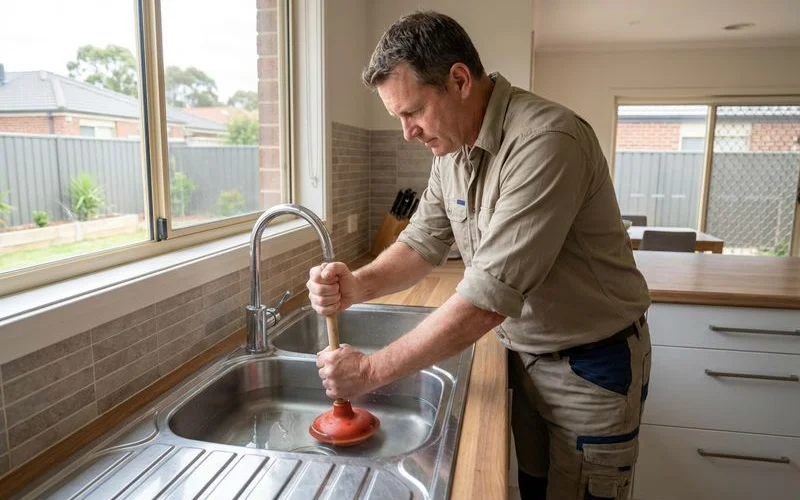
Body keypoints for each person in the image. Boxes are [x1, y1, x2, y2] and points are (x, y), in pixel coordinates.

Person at [306, 11, 651, 500]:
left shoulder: (546, 142)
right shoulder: (451, 152)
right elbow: (422, 241)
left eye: (413, 112)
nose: (408, 132)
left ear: (459, 80)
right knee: (535, 487)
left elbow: (486, 299)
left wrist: (368, 373)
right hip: (525, 353)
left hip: (592, 364)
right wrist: (356, 285)